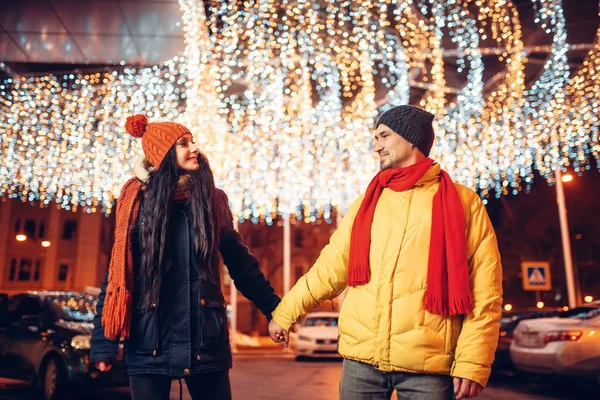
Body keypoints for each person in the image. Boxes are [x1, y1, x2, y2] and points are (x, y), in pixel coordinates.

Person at [269, 105, 503, 400]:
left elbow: (485, 290)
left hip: (429, 366)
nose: (375, 145)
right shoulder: (367, 203)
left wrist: (472, 363)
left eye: (383, 136)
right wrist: (286, 313)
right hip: (362, 362)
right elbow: (329, 269)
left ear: (411, 139)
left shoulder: (463, 202)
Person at [91, 114, 280, 400]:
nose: (194, 148)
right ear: (163, 154)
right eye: (183, 143)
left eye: (192, 141)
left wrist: (276, 311)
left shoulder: (213, 201)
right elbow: (118, 277)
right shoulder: (136, 205)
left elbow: (243, 266)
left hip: (204, 341)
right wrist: (104, 344)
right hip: (148, 341)